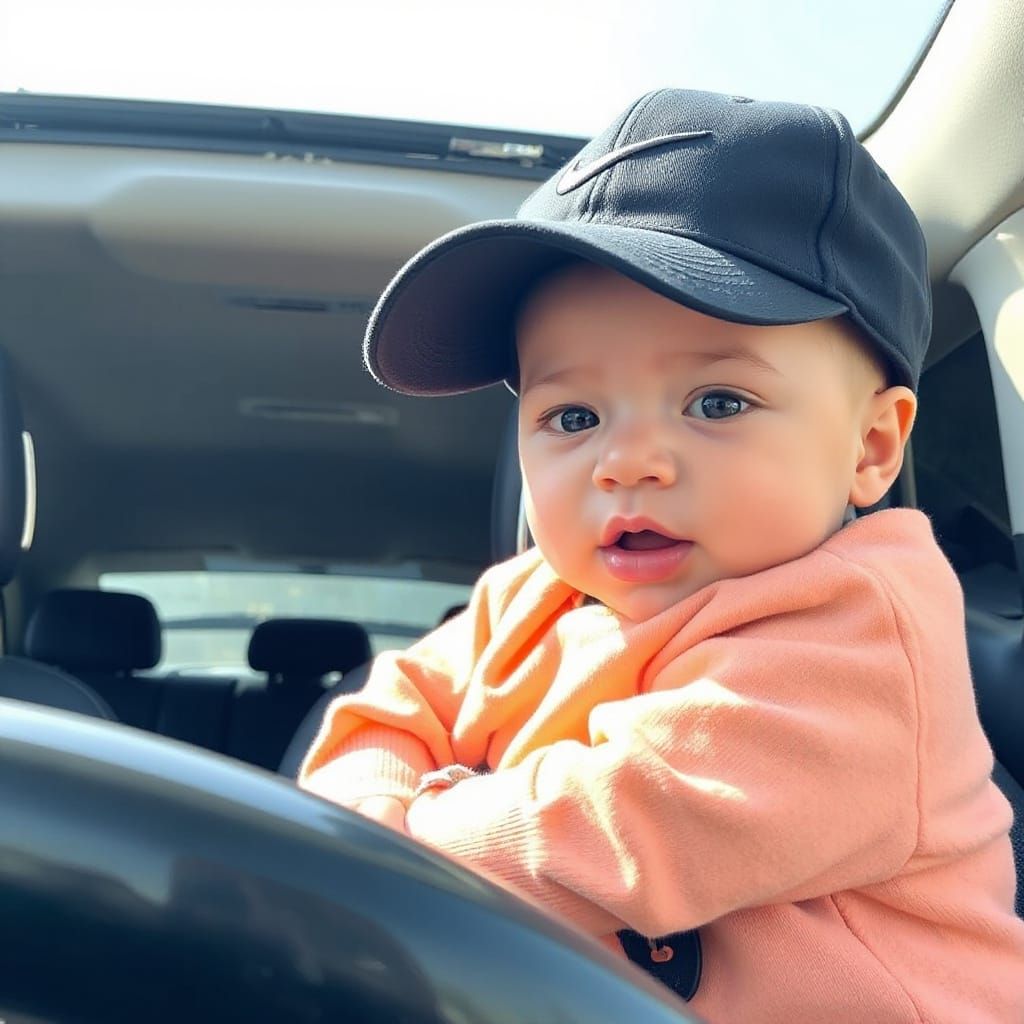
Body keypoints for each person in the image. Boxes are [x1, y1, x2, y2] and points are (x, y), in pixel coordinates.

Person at [299, 89, 1024, 1021]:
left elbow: (613, 830)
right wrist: (366, 824)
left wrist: (386, 850)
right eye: (572, 416)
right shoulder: (530, 598)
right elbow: (379, 718)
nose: (626, 460)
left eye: (717, 401)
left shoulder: (865, 635)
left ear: (872, 448)